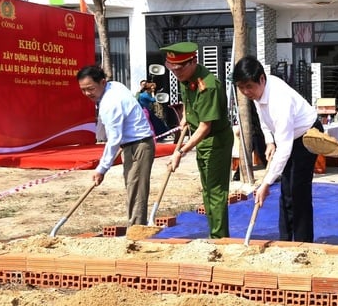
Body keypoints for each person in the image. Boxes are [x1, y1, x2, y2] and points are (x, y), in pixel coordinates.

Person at [232, 55, 319, 242]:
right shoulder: (258, 92)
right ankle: (285, 240)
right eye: (241, 87)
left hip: (306, 136)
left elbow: (285, 149)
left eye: (249, 86)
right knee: (286, 192)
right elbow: (263, 116)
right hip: (287, 136)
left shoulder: (280, 100)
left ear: (261, 79)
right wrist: (269, 140)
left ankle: (303, 243)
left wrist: (266, 183)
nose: (246, 92)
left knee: (298, 191)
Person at [162, 41, 233, 239]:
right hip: (202, 140)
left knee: (216, 191)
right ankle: (213, 231)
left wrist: (180, 152)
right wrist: (186, 116)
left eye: (179, 68)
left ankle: (220, 239)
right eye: (172, 69)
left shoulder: (207, 86)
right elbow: (188, 99)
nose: (176, 73)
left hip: (215, 141)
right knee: (207, 190)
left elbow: (205, 126)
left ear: (193, 61)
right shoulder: (187, 77)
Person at [76, 65, 155, 226]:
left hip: (138, 146)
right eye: (83, 90)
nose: (87, 93)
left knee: (136, 190)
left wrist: (102, 169)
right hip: (130, 144)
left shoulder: (110, 102)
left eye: (90, 88)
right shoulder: (114, 86)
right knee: (133, 186)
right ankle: (136, 227)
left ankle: (136, 233)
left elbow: (114, 139)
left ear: (103, 82)